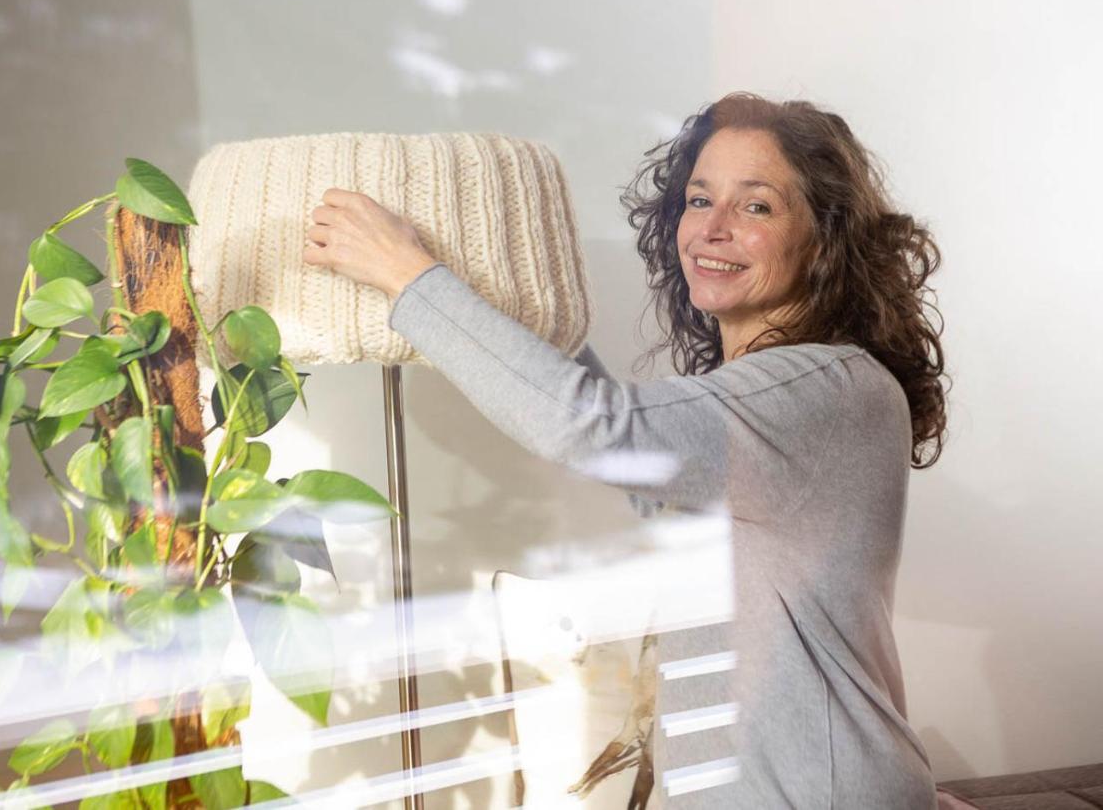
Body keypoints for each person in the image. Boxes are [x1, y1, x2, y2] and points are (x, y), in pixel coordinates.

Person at [302, 91, 949, 809]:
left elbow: (589, 425)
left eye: (757, 206)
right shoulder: (779, 393)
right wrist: (520, 298)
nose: (714, 228)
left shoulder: (824, 388)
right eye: (699, 200)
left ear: (825, 238)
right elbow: (634, 466)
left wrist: (407, 276)